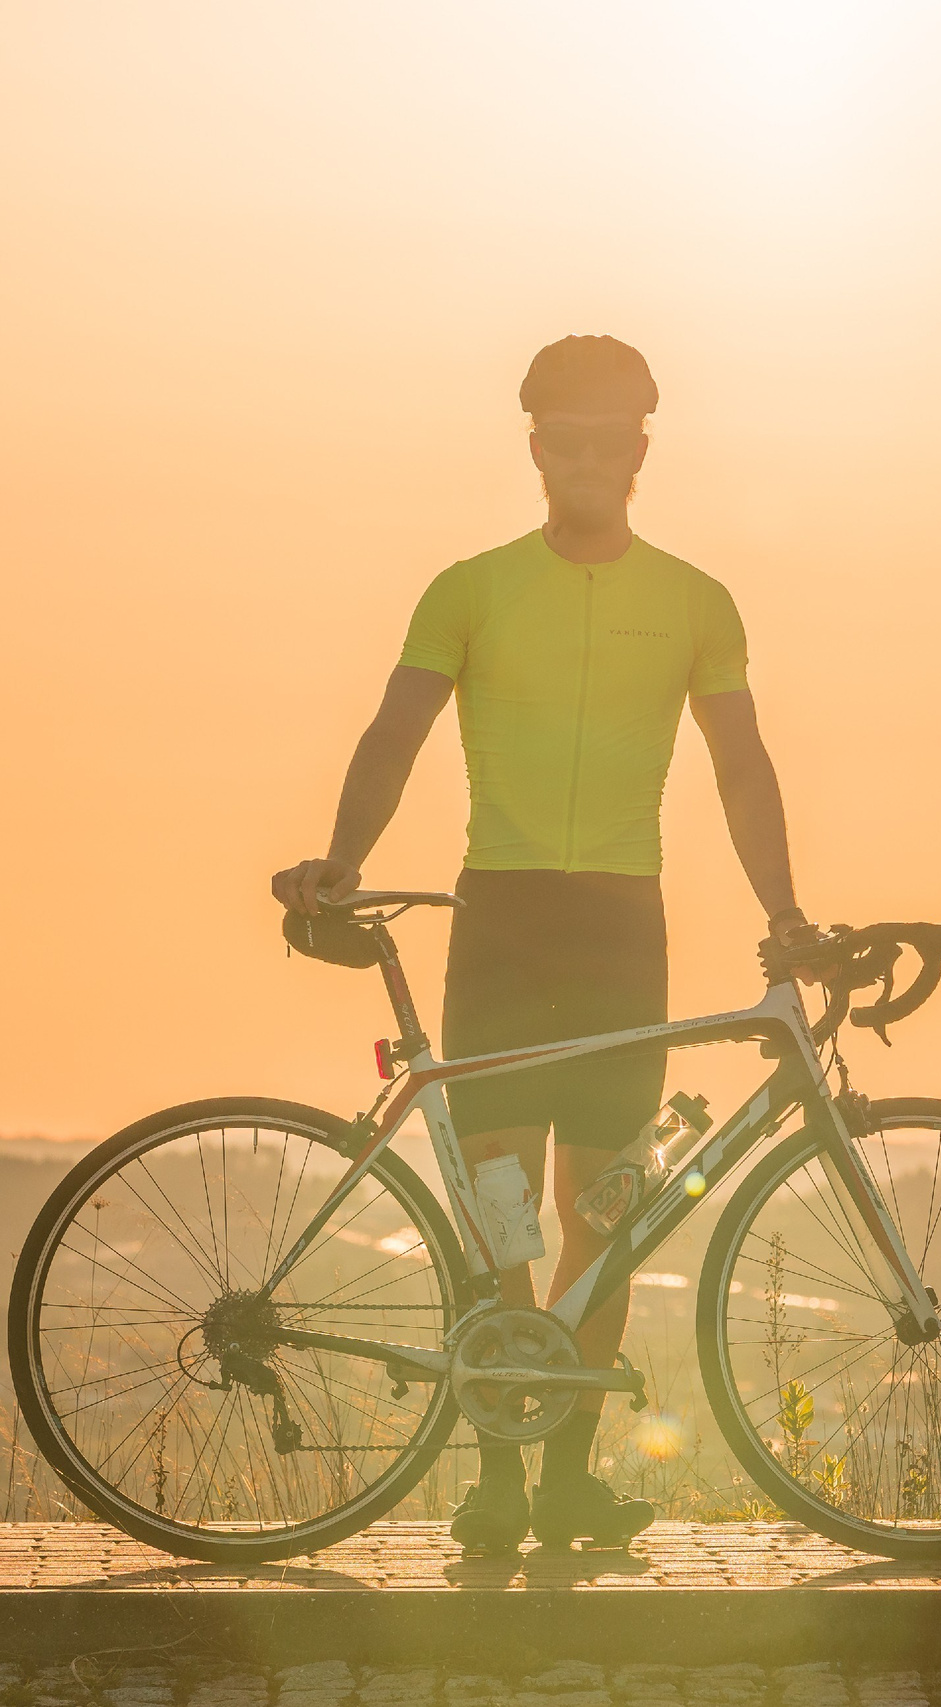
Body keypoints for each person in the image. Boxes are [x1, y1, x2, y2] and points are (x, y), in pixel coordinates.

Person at [271, 335, 813, 1555]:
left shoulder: (694, 601)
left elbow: (741, 768)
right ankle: (497, 1481)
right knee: (502, 1217)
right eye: (565, 439)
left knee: (603, 1219)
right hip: (503, 926)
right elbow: (395, 732)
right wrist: (343, 855)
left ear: (639, 450)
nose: (587, 459)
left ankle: (567, 1480)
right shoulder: (469, 590)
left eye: (609, 439)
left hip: (622, 928)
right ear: (535, 448)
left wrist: (783, 911)